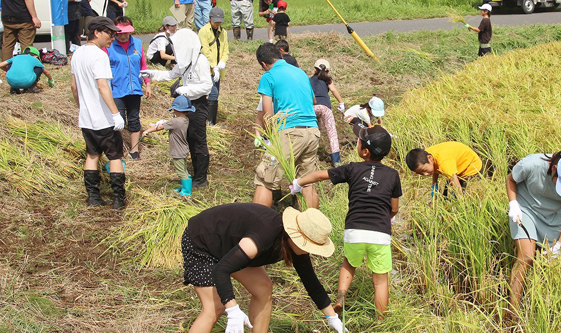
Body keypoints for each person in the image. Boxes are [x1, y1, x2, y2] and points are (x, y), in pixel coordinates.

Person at [290, 124, 401, 319]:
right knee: (381, 280)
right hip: (380, 233)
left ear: (364, 151)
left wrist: (298, 183)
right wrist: (388, 218)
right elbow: (394, 208)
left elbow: (319, 175)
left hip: (355, 230)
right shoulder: (393, 175)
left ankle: (341, 298)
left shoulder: (352, 168)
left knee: (349, 264)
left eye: (359, 141)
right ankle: (381, 320)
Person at [181, 204, 345, 333]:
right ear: (297, 237)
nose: (310, 251)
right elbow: (222, 269)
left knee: (263, 288)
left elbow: (311, 282)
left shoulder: (294, 245)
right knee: (214, 308)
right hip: (202, 242)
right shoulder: (264, 235)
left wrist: (332, 317)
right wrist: (232, 309)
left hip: (229, 247)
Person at [505, 148, 561, 321]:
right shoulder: (532, 164)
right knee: (526, 256)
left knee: (548, 265)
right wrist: (513, 204)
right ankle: (512, 313)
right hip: (525, 209)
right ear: (554, 168)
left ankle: (540, 309)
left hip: (551, 218)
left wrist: (560, 245)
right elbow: (511, 180)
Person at [141, 29, 213, 188]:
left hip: (198, 105)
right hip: (186, 105)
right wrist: (151, 74)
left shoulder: (200, 61)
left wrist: (186, 90)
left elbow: (207, 86)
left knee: (198, 141)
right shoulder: (185, 61)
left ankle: (201, 178)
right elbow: (170, 75)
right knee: (189, 139)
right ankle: (195, 174)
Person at [254, 43, 320, 208]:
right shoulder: (300, 73)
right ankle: (311, 229)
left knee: (265, 179)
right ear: (280, 55)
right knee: (305, 182)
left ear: (263, 64)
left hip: (289, 132)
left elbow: (268, 114)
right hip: (312, 131)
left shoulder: (268, 76)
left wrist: (269, 139)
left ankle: (255, 227)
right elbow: (313, 101)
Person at [70, 17, 127, 210]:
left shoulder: (77, 54)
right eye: (109, 33)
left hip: (86, 119)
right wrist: (115, 114)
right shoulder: (100, 55)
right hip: (104, 119)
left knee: (92, 155)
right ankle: (119, 199)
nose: (112, 37)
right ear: (96, 32)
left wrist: (82, 108)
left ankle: (93, 197)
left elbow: (74, 86)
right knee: (115, 156)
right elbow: (103, 86)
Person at [104, 16, 151, 160]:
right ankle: (117, 150)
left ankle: (134, 150)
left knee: (134, 119)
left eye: (126, 33)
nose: (124, 36)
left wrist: (147, 83)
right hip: (117, 89)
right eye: (120, 33)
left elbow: (143, 66)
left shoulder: (137, 44)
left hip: (134, 88)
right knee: (118, 120)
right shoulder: (109, 46)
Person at [141, 95, 194, 196]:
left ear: (176, 110)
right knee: (183, 169)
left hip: (177, 151)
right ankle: (184, 186)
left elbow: (159, 127)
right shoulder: (185, 120)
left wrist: (147, 131)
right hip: (184, 149)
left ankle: (187, 191)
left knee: (180, 171)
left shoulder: (175, 121)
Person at [405, 141, 482, 198]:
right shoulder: (425, 155)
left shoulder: (444, 163)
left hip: (471, 168)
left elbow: (457, 187)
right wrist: (434, 183)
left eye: (424, 170)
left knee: (456, 197)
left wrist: (462, 205)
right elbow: (434, 166)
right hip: (456, 168)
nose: (425, 174)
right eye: (420, 173)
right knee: (445, 197)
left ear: (429, 158)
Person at [309, 59, 344, 165]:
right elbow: (333, 90)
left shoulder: (309, 80)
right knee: (331, 132)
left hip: (312, 107)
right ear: (327, 71)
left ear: (315, 69)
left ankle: (311, 155)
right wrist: (341, 103)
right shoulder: (327, 79)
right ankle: (336, 161)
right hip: (325, 107)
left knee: (315, 131)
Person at [198, 7, 228, 126]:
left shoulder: (223, 32)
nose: (217, 24)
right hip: (207, 69)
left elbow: (225, 49)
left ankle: (210, 121)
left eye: (219, 22)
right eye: (215, 21)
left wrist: (222, 62)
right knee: (213, 93)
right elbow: (205, 50)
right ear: (210, 19)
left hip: (218, 69)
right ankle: (210, 123)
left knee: (215, 93)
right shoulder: (203, 31)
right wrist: (213, 66)